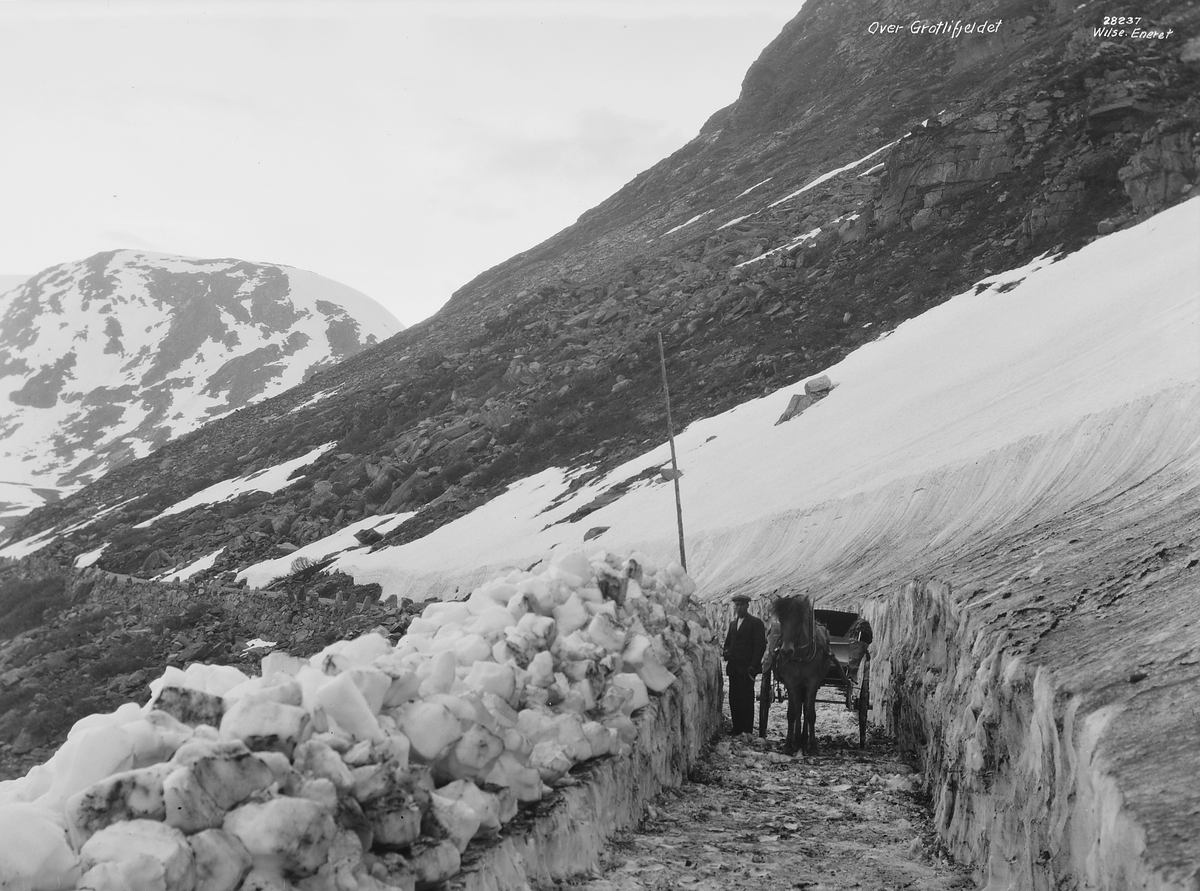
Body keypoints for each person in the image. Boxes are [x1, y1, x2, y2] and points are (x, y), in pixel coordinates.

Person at [722, 594, 766, 736]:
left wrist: (753, 666)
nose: (738, 608)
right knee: (734, 698)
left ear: (747, 606)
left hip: (747, 669)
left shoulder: (755, 623)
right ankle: (736, 727)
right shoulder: (733, 624)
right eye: (736, 605)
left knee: (746, 698)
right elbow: (728, 643)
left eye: (741, 605)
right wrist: (726, 652)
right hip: (734, 668)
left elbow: (760, 646)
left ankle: (746, 729)